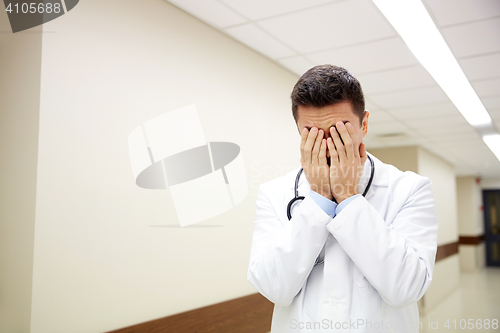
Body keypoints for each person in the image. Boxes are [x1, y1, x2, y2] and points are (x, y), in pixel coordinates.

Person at [247, 65, 438, 333]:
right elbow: (273, 288)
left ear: (365, 123)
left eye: (339, 131)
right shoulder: (274, 193)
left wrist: (348, 196)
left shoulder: (408, 189)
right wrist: (318, 199)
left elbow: (406, 289)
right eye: (312, 133)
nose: (328, 145)